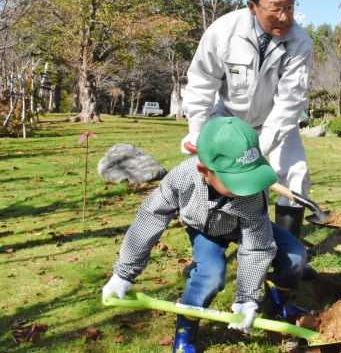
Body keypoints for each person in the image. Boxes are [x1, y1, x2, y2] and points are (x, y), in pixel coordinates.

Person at [102, 117, 309, 353]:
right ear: (204, 172)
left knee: (295, 258)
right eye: (237, 181)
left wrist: (247, 297)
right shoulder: (181, 179)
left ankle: (277, 307)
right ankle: (185, 334)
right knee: (210, 276)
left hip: (247, 224)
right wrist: (124, 274)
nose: (248, 186)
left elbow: (256, 247)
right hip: (205, 231)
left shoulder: (253, 188)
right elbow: (150, 218)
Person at [181, 0, 313, 241]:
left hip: (273, 123)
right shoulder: (222, 31)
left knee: (296, 173)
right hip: (227, 119)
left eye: (290, 7)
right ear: (253, 6)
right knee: (210, 178)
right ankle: (206, 254)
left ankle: (287, 256)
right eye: (276, 8)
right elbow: (202, 82)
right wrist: (197, 129)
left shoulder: (300, 43)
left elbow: (290, 101)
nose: (285, 17)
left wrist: (257, 150)